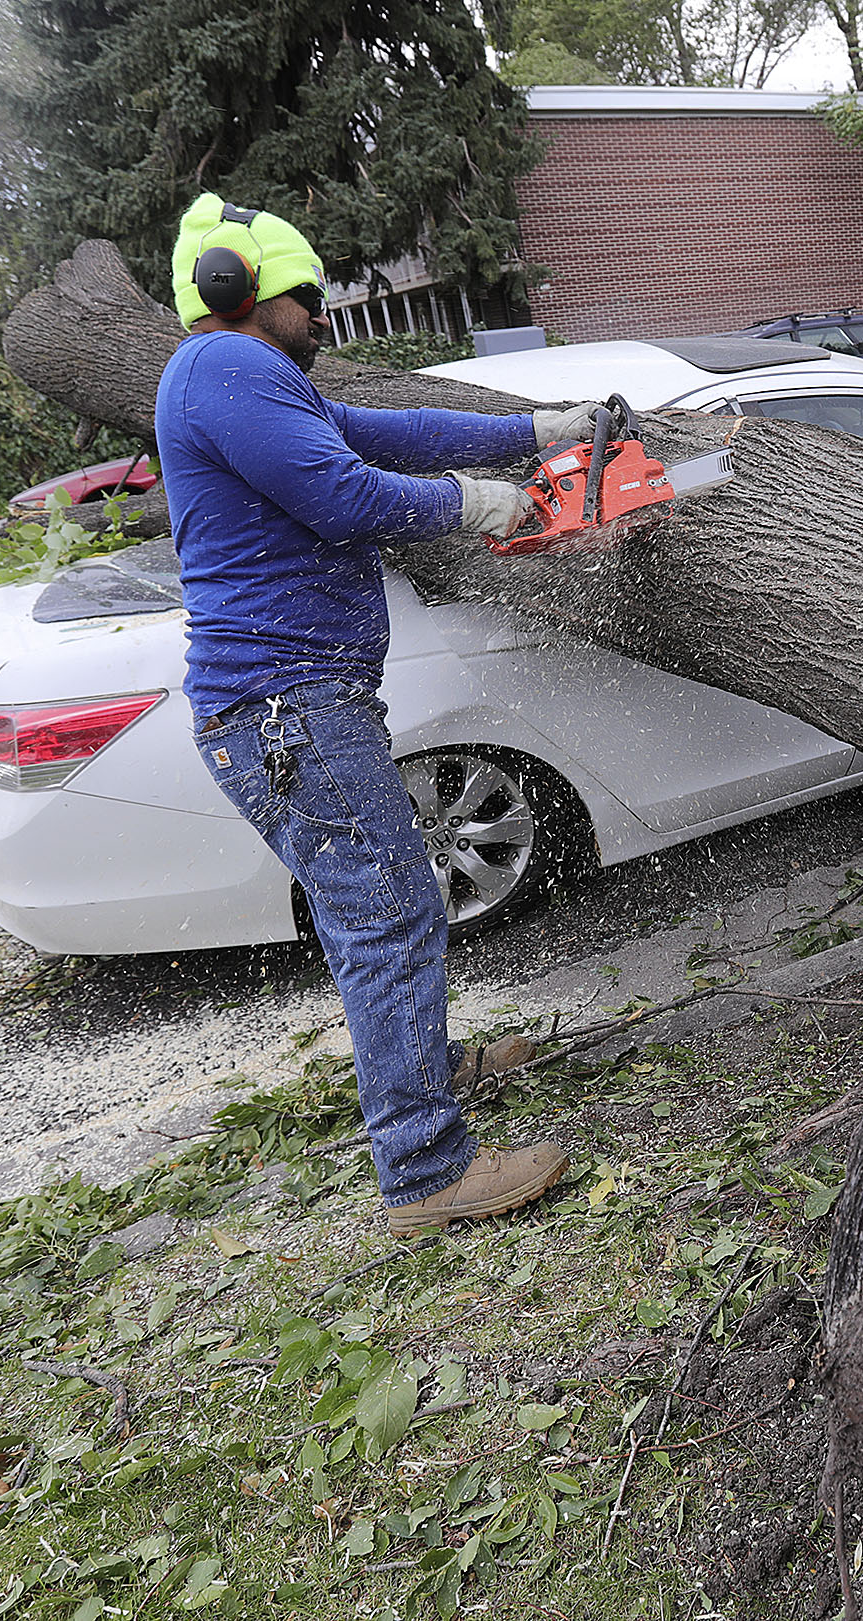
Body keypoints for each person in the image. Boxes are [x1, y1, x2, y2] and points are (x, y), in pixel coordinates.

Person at [155, 192, 589, 1236]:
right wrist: (480, 502)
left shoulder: (249, 382)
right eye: (309, 297)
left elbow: (390, 431)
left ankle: (427, 1072)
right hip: (285, 707)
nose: (321, 316)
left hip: (295, 708)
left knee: (381, 911)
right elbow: (351, 494)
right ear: (237, 289)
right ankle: (425, 1168)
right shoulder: (225, 367)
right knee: (389, 914)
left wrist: (535, 433)